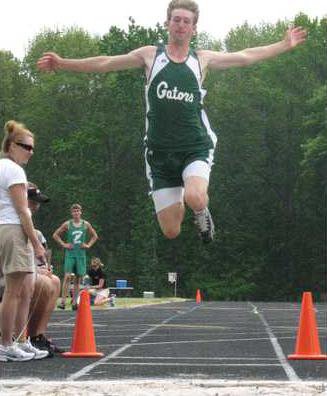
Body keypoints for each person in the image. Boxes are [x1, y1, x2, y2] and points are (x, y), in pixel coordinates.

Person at [37, 0, 306, 243]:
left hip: (195, 146)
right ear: (168, 24)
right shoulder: (150, 56)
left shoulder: (202, 59)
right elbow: (105, 62)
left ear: (194, 29)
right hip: (159, 154)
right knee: (171, 230)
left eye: (186, 21)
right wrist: (63, 63)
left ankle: (201, 211)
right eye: (176, 19)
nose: (180, 25)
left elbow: (245, 56)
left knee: (195, 197)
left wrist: (284, 45)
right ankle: (180, 195)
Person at [0, 120, 48, 362]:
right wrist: (37, 243)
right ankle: (6, 343)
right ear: (10, 146)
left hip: (4, 228)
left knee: (21, 290)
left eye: (32, 148)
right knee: (13, 292)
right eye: (25, 146)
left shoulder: (2, 167)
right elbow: (23, 211)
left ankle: (19, 340)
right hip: (12, 229)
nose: (30, 151)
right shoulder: (14, 170)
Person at [26, 182, 62, 356]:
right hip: (8, 276)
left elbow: (42, 263)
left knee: (54, 280)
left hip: (24, 273)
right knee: (43, 283)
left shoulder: (37, 233)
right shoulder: (7, 226)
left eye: (37, 202)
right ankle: (21, 338)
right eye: (31, 201)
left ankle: (37, 336)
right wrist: (34, 270)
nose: (35, 206)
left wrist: (43, 269)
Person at [53, 203, 98, 310]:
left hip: (81, 254)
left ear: (81, 212)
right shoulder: (68, 224)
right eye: (74, 211)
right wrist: (64, 244)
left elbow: (95, 236)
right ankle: (63, 301)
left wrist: (88, 245)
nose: (76, 213)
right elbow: (55, 235)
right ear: (71, 213)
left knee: (78, 279)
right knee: (67, 276)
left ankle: (74, 302)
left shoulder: (85, 224)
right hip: (70, 253)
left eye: (78, 211)